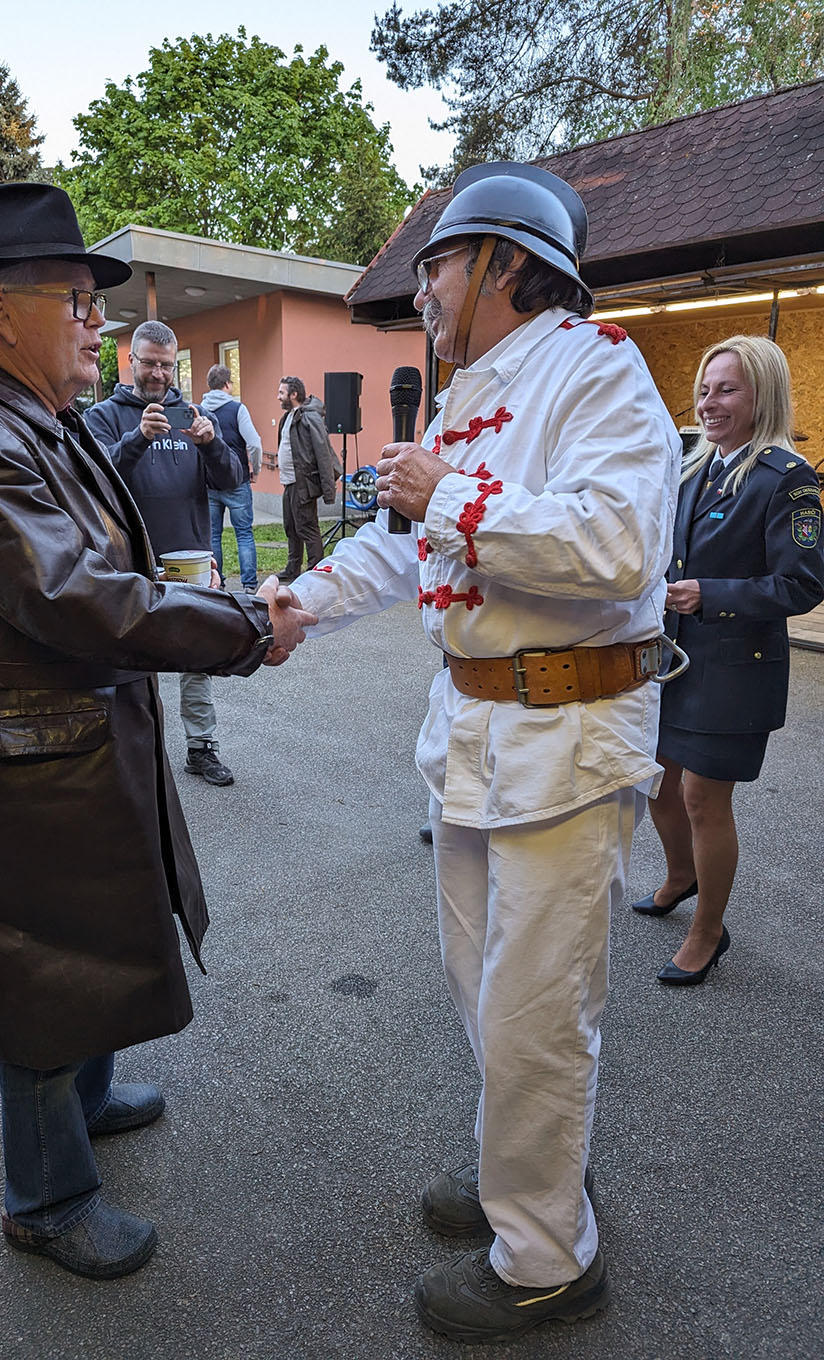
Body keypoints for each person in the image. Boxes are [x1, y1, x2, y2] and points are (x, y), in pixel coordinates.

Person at [280, 163, 681, 1343]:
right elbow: (407, 546)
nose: (423, 292)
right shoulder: (465, 397)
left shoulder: (597, 368)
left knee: (534, 1007)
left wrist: (451, 492)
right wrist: (300, 601)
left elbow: (618, 546)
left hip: (568, 736)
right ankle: (534, 1170)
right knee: (484, 989)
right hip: (473, 734)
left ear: (506, 264)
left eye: (438, 267)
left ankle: (548, 1258)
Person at [0, 181, 314, 1282]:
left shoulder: (30, 417)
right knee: (39, 959)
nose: (99, 323)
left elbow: (106, 572)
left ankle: (82, 1104)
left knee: (93, 928)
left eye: (97, 303)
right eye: (78, 301)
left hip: (71, 730)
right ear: (1, 310)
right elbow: (76, 595)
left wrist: (209, 603)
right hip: (24, 748)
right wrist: (241, 625)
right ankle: (46, 1196)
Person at [632, 335, 824, 983]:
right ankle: (681, 876)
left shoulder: (786, 480)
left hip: (736, 668)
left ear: (761, 396)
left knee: (701, 800)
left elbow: (801, 584)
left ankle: (708, 932)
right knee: (658, 784)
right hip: (676, 660)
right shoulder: (694, 467)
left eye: (727, 390)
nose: (709, 402)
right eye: (705, 390)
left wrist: (709, 595)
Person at [84, 323, 244, 787]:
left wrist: (212, 444)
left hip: (190, 559)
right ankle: (130, 754)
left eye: (167, 365)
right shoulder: (103, 416)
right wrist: (137, 438)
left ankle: (201, 747)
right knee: (130, 663)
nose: (157, 373)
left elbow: (232, 479)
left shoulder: (192, 414)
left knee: (195, 658)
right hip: (128, 563)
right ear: (131, 360)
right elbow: (92, 478)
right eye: (149, 363)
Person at [200, 363, 262, 593]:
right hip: (237, 480)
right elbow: (254, 443)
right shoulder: (237, 409)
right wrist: (255, 469)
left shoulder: (199, 410)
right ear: (227, 384)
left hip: (208, 483)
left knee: (213, 535)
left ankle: (217, 584)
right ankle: (249, 585)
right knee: (244, 533)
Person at [276, 376, 339, 581]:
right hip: (289, 483)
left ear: (293, 394)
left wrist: (328, 490)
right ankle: (293, 568)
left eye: (282, 393)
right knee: (291, 527)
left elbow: (323, 453)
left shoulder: (309, 418)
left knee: (307, 527)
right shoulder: (288, 417)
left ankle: (314, 571)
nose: (278, 397)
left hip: (303, 483)